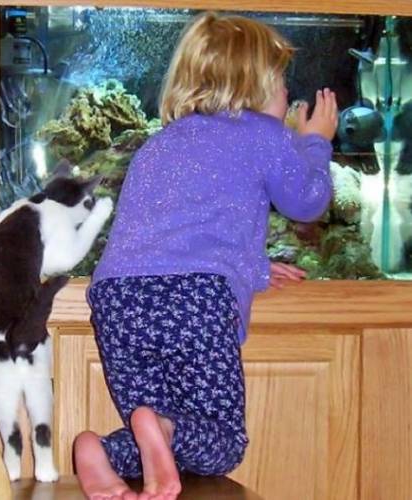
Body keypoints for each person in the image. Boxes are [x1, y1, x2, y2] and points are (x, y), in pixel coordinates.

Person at [74, 11, 338, 500]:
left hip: (117, 301)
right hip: (194, 301)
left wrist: (255, 271)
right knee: (222, 441)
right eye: (282, 81)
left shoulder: (158, 144)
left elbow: (172, 234)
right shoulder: (264, 133)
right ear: (256, 84)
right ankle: (150, 434)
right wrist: (316, 142)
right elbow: (308, 201)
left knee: (159, 429)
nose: (287, 94)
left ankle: (102, 455)